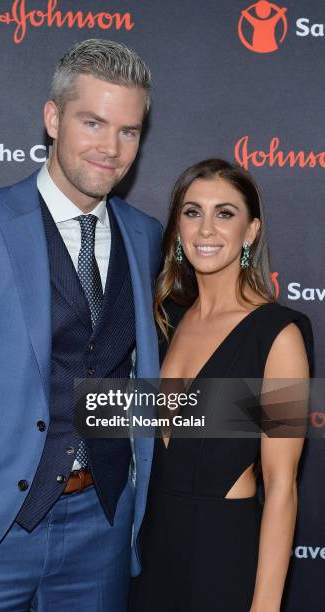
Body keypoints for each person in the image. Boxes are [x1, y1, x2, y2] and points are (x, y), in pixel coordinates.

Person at [0, 39, 162, 610]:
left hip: (100, 532)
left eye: (129, 130)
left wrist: (273, 409)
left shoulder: (146, 235)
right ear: (53, 118)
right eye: (93, 122)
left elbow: (126, 385)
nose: (111, 147)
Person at [129, 159, 313, 612]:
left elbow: (282, 488)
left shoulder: (278, 335)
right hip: (146, 558)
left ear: (250, 232)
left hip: (222, 557)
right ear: (176, 228)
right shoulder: (161, 322)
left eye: (224, 213)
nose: (206, 229)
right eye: (192, 212)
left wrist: (265, 606)